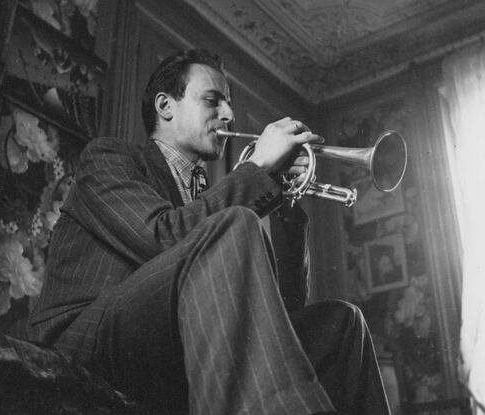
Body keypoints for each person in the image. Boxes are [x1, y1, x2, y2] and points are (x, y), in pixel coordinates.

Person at [30, 49, 390, 414]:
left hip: (170, 342)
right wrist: (258, 168)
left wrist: (284, 199)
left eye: (229, 104)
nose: (229, 114)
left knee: (342, 322)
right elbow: (161, 237)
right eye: (212, 100)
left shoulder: (216, 201)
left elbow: (284, 309)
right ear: (165, 106)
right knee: (235, 223)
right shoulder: (109, 158)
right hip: (84, 341)